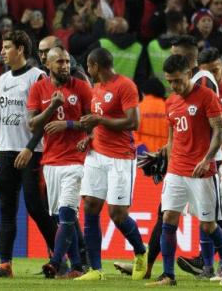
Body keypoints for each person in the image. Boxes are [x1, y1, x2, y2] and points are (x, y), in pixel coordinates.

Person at [150, 53, 222, 287]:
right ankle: (168, 275)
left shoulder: (207, 97)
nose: (173, 86)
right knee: (168, 217)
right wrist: (163, 156)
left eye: (177, 80)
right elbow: (172, 136)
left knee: (208, 225)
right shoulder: (171, 102)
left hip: (202, 172)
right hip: (176, 170)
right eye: (169, 81)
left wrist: (208, 159)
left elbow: (219, 131)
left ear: (189, 74)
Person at [0, 30, 57, 278]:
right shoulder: (3, 79)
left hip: (32, 152)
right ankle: (5, 265)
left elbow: (44, 118)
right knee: (6, 209)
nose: (2, 52)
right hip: (6, 152)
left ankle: (58, 259)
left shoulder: (38, 77)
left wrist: (31, 147)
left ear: (21, 49)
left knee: (37, 208)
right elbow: (1, 118)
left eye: (7, 47)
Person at [75, 48, 147, 280]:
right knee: (90, 207)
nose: (88, 70)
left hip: (120, 158)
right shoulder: (96, 89)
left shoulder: (125, 85)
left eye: (89, 65)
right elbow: (100, 125)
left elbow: (133, 122)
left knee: (117, 214)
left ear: (96, 65)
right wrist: (91, 135)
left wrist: (100, 120)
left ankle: (140, 253)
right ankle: (95, 269)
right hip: (96, 155)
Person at [25, 46, 93, 279]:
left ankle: (55, 262)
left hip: (76, 159)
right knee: (62, 217)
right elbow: (32, 124)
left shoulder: (82, 87)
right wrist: (52, 107)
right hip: (51, 161)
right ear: (48, 65)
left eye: (67, 61)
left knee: (66, 213)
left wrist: (69, 125)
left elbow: (94, 121)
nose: (65, 66)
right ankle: (76, 266)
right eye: (59, 62)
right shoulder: (38, 89)